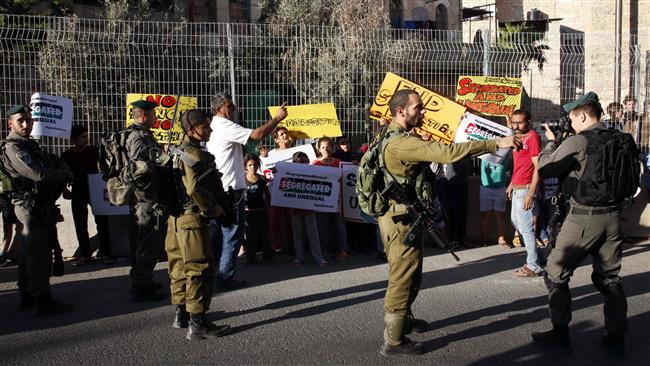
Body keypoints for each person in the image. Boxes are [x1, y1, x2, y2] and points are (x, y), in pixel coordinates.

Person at [375, 90, 520, 356]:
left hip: (405, 215)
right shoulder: (401, 143)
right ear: (400, 111)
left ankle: (404, 320)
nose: (423, 112)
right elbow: (448, 153)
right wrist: (494, 143)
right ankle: (393, 341)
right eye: (417, 108)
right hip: (399, 220)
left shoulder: (395, 136)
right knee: (402, 276)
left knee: (411, 271)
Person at [532, 92, 629, 356]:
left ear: (583, 115)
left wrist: (551, 144)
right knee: (610, 278)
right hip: (612, 217)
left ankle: (560, 334)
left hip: (584, 217)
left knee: (554, 272)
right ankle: (616, 336)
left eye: (573, 118)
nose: (571, 124)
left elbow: (545, 169)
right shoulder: (619, 139)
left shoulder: (579, 141)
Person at [206, 93, 287, 290]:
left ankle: (210, 273)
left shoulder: (214, 125)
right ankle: (224, 277)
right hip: (231, 189)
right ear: (219, 109)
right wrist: (277, 118)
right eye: (229, 106)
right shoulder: (224, 125)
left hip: (221, 187)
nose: (233, 110)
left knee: (219, 234)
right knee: (233, 234)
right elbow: (257, 135)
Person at [0, 104, 74, 315]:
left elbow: (52, 160)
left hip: (36, 205)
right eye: (20, 121)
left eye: (28, 120)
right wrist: (64, 175)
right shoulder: (13, 147)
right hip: (27, 206)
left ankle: (28, 295)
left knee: (28, 253)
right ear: (10, 123)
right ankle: (42, 299)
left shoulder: (29, 145)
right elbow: (36, 173)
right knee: (38, 254)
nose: (25, 124)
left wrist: (63, 168)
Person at [164, 109, 231, 340]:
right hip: (192, 219)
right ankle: (198, 322)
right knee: (199, 268)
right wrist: (214, 209)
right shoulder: (194, 154)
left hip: (175, 219)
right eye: (205, 126)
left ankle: (181, 313)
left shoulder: (175, 151)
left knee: (179, 266)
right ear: (192, 130)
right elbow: (193, 189)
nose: (210, 130)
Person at [125, 99, 167, 302]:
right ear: (143, 115)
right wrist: (161, 161)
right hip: (144, 198)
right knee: (145, 243)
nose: (155, 117)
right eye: (152, 114)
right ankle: (141, 285)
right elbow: (139, 167)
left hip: (146, 197)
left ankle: (144, 279)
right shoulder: (138, 137)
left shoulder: (143, 135)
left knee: (146, 242)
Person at [62, 125, 113, 266]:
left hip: (95, 188)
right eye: (82, 137)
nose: (86, 139)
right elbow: (64, 173)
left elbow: (103, 166)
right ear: (74, 139)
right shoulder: (67, 155)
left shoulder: (93, 151)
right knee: (80, 223)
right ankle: (85, 254)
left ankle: (106, 253)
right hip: (78, 190)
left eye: (87, 136)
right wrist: (64, 190)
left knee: (102, 221)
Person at [506, 110, 543, 277]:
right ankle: (537, 255)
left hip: (526, 189)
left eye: (519, 123)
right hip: (517, 187)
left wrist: (531, 193)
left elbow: (538, 167)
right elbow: (520, 164)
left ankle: (533, 265)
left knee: (526, 228)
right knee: (516, 222)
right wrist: (512, 183)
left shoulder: (532, 137)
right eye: (514, 123)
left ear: (529, 121)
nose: (516, 126)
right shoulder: (518, 137)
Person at [312, 136, 348, 261]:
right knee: (322, 228)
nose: (326, 149)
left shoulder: (339, 163)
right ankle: (324, 251)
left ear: (332, 148)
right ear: (319, 149)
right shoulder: (314, 164)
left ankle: (343, 250)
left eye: (328, 147)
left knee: (340, 227)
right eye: (323, 147)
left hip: (338, 201)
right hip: (321, 202)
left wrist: (352, 166)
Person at [289, 151, 328, 267]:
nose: (304, 163)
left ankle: (318, 257)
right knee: (298, 234)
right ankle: (299, 257)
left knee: (313, 234)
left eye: (306, 161)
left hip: (309, 208)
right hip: (295, 208)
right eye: (301, 161)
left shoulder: (312, 172)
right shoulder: (289, 173)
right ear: (295, 162)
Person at [243, 153, 272, 264]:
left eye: (255, 165)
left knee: (264, 234)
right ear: (245, 166)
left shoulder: (262, 179)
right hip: (248, 212)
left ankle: (268, 256)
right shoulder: (242, 179)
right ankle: (251, 258)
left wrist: (269, 207)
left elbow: (267, 194)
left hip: (261, 210)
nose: (253, 167)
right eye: (250, 165)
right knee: (250, 236)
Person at [479, 156, 511, 248]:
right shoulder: (485, 149)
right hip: (485, 185)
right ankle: (484, 238)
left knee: (500, 214)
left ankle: (501, 238)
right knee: (485, 214)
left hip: (500, 186)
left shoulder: (505, 150)